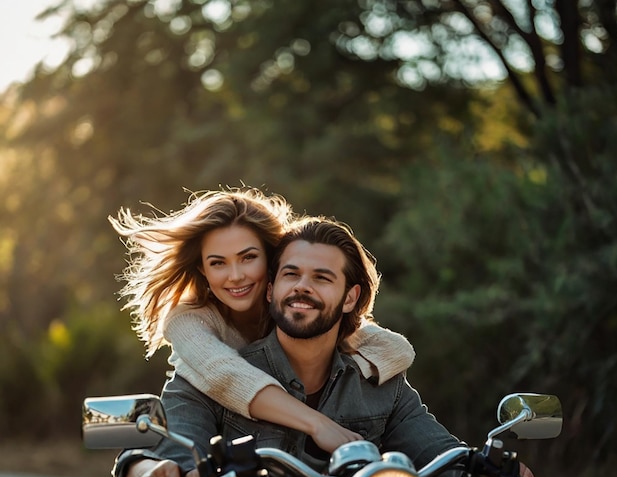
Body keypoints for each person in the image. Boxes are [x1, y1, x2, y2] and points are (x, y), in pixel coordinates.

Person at [67, 216, 535, 477]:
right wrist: (155, 471)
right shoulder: (213, 372)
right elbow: (171, 445)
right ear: (271, 289)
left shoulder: (379, 381)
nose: (302, 287)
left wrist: (488, 469)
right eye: (290, 274)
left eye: (321, 277)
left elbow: (436, 450)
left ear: (351, 298)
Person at [109, 187, 415, 454]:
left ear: (272, 258)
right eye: (218, 263)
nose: (236, 276)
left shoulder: (298, 310)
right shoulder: (189, 321)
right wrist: (318, 424)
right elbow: (223, 375)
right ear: (203, 269)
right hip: (208, 429)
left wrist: (368, 373)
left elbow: (391, 348)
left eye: (248, 257)